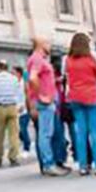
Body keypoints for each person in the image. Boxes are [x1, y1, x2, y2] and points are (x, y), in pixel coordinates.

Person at [64, 33, 96, 175]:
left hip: (75, 97)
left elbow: (67, 75)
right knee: (95, 132)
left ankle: (83, 165)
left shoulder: (68, 60)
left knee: (80, 132)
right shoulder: (90, 59)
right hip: (92, 97)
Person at [28, 40, 69, 176]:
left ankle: (50, 163)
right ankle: (48, 164)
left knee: (48, 133)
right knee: (46, 134)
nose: (50, 45)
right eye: (47, 43)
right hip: (45, 102)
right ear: (41, 45)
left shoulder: (38, 59)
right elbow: (33, 78)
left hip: (46, 101)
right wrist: (42, 95)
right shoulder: (38, 59)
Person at [0, 59, 22, 168]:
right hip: (12, 107)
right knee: (13, 134)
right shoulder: (14, 78)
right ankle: (13, 158)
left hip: (0, 107)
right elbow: (17, 92)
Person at [12, 66, 32, 158]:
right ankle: (26, 141)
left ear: (19, 73)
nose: (12, 74)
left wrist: (24, 106)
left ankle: (26, 148)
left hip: (24, 109)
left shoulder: (24, 83)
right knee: (18, 131)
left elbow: (27, 95)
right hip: (15, 109)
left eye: (14, 73)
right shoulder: (13, 83)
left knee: (23, 128)